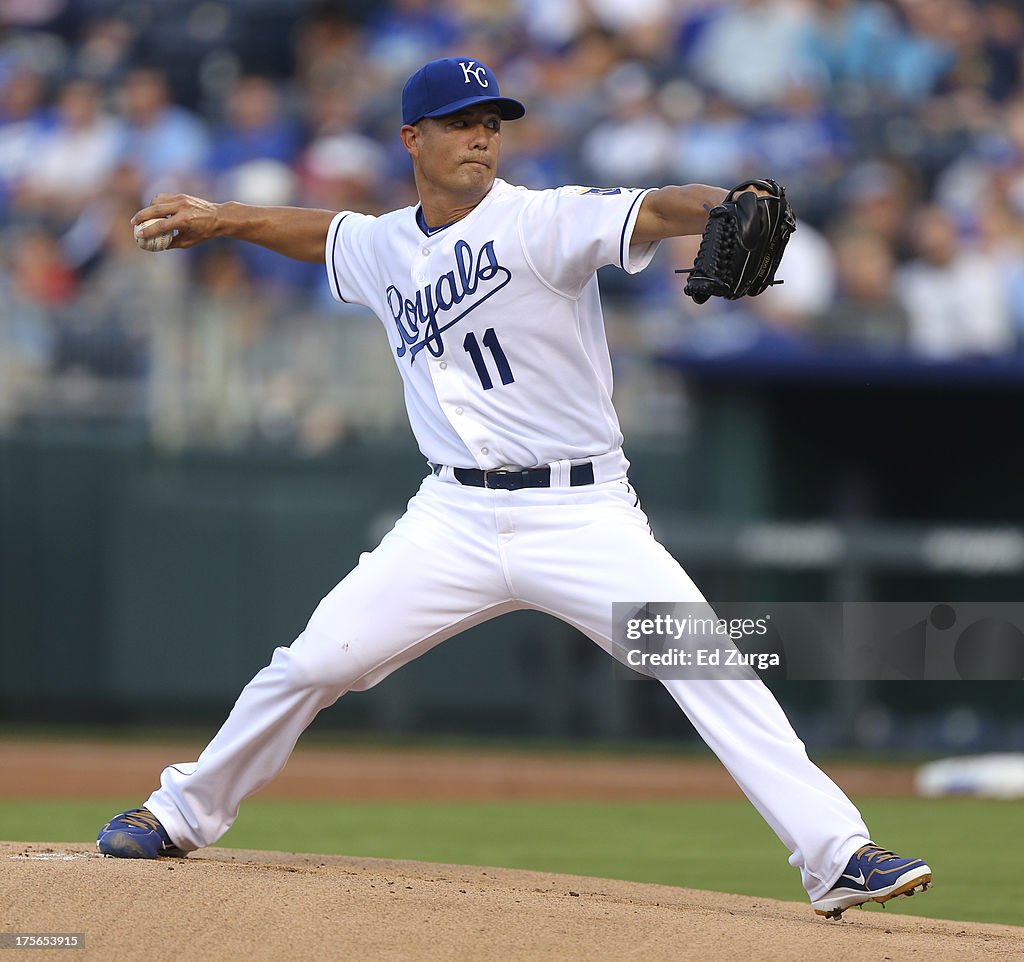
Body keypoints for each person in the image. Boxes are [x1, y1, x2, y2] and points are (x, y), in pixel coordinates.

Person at [96, 56, 931, 920]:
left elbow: (651, 206)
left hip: (580, 513)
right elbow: (325, 233)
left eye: (491, 121)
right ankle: (181, 811)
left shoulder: (543, 221)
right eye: (462, 121)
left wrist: (721, 203)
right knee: (312, 662)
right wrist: (225, 218)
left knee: (707, 663)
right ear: (412, 139)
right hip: (451, 516)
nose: (482, 136)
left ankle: (838, 854)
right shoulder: (385, 243)